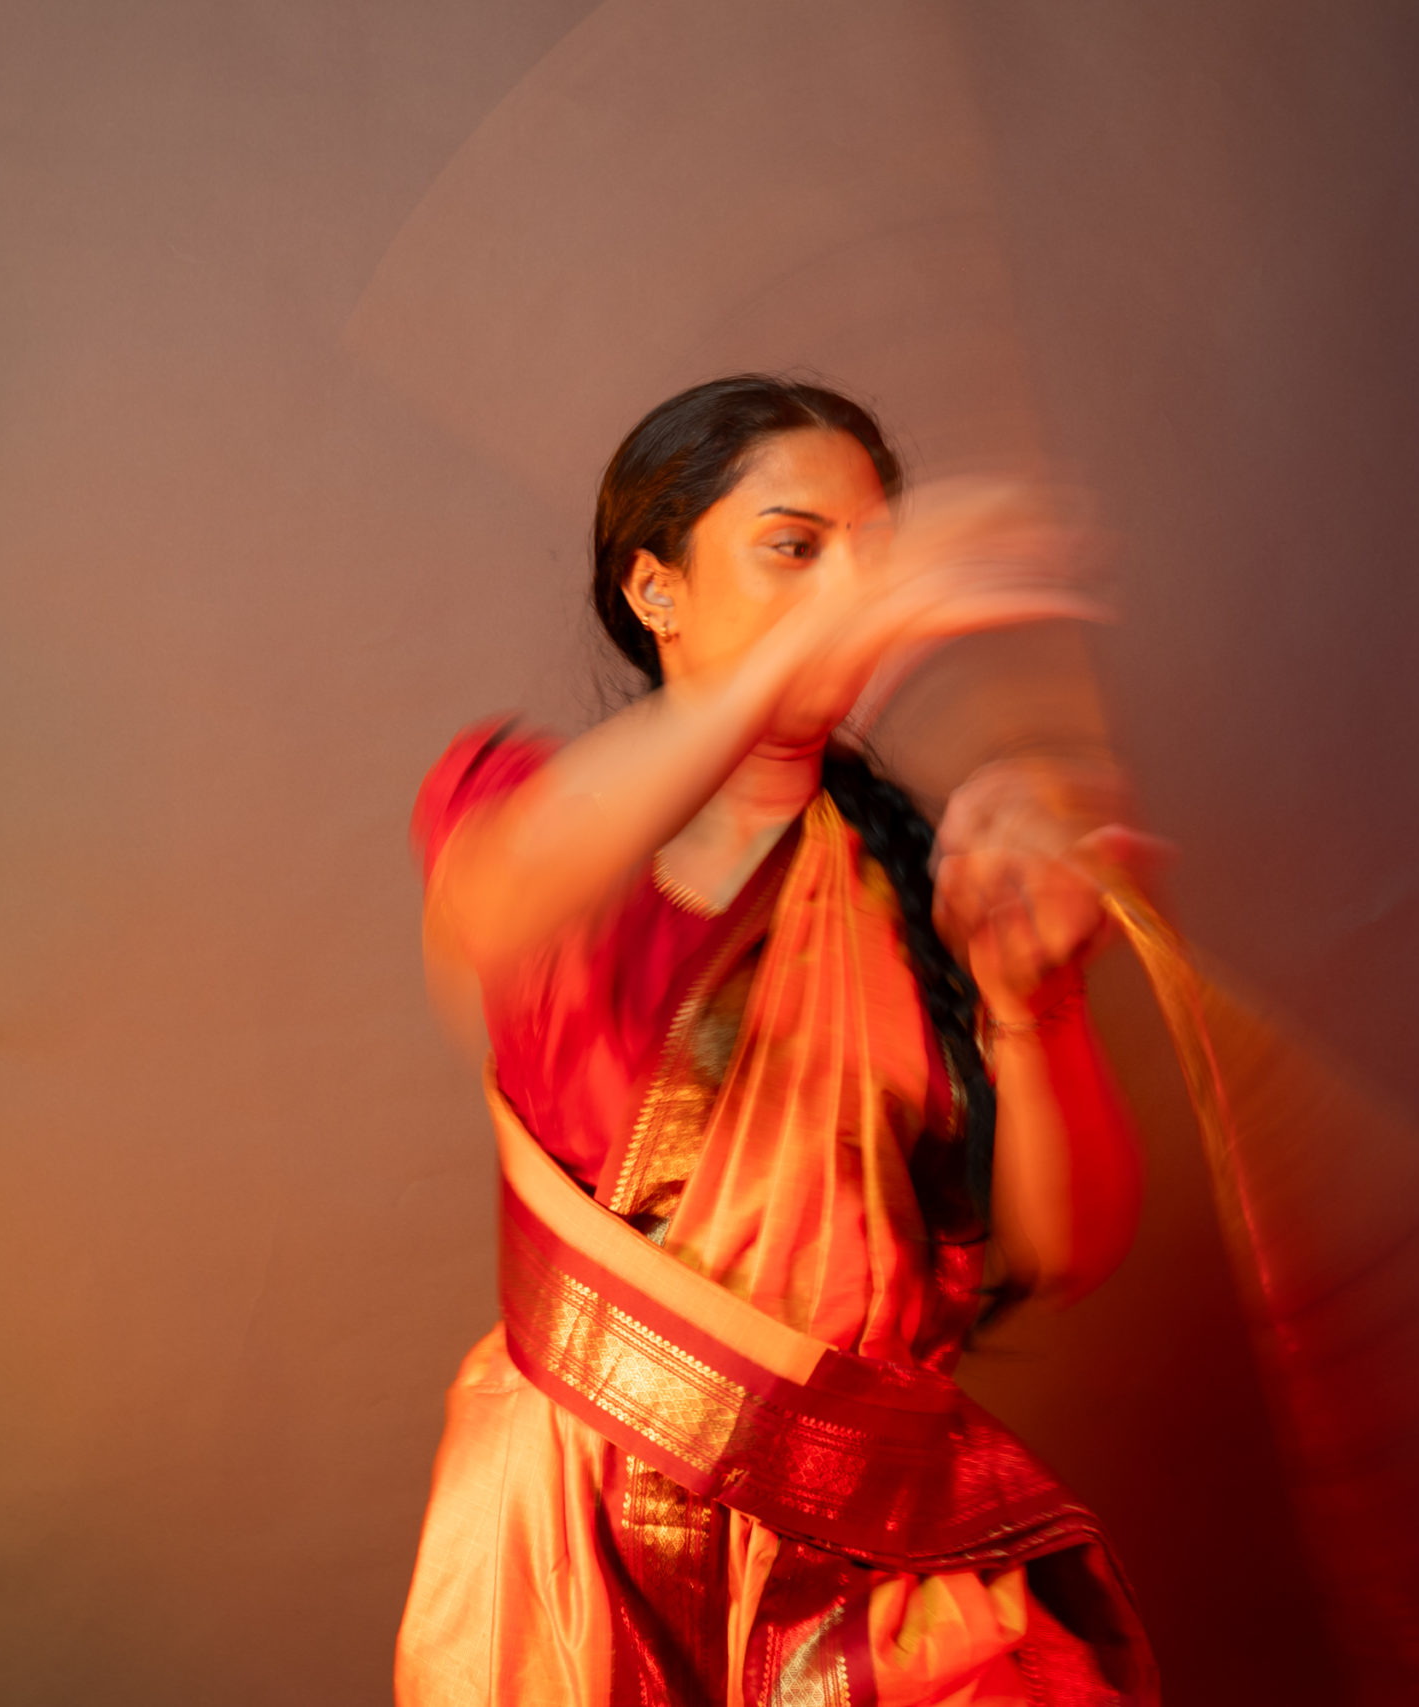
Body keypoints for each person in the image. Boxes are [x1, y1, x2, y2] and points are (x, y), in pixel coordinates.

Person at [397, 375, 1158, 1706]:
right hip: (581, 1556)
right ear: (657, 590)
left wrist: (1034, 1001)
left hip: (876, 1564)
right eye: (796, 546)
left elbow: (1066, 1247)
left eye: (876, 555)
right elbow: (506, 899)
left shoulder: (915, 884)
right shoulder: (524, 815)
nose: (851, 593)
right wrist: (793, 661)